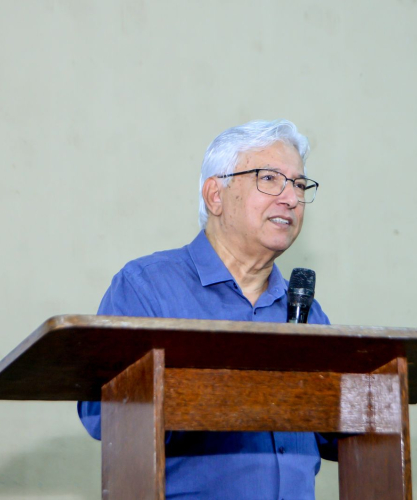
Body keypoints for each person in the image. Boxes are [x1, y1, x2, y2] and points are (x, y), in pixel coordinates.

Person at [78, 119, 336, 499]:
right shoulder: (148, 287)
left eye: (299, 184)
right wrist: (228, 395)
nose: (291, 198)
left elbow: (342, 432)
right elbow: (102, 414)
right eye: (270, 179)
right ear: (215, 195)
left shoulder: (305, 312)